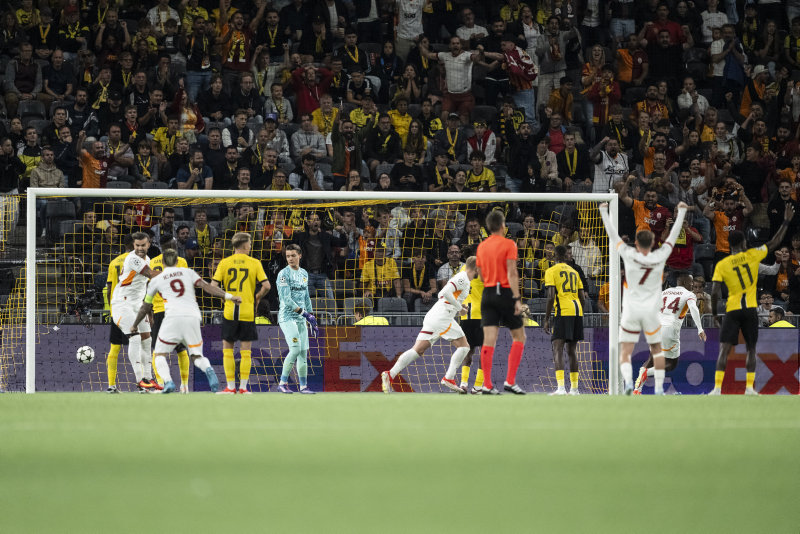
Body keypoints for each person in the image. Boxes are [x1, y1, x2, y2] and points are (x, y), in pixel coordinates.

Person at [599, 201, 689, 395]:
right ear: (653, 243)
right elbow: (672, 238)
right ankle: (657, 388)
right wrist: (681, 213)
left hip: (631, 308)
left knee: (626, 349)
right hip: (651, 311)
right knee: (656, 350)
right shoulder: (660, 255)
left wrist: (603, 211)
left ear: (637, 243)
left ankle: (629, 384)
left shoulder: (629, 254)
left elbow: (613, 236)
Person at [709, 204, 795, 395]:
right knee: (751, 349)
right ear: (744, 242)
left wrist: (715, 313)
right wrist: (787, 221)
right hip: (750, 309)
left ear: (730, 245)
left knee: (724, 349)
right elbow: (774, 242)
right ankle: (749, 388)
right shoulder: (753, 255)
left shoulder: (723, 264)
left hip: (732, 309)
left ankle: (716, 389)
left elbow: (714, 292)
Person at [131, 248, 240, 394]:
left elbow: (145, 307)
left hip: (172, 317)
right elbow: (208, 287)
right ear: (177, 261)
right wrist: (229, 296)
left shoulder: (156, 280)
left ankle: (168, 382)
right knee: (196, 355)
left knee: (159, 354)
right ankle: (208, 369)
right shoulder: (188, 273)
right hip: (193, 316)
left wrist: (134, 324)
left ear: (163, 263)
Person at [381, 256, 478, 394]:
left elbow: (447, 297)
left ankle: (389, 374)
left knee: (417, 350)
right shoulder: (462, 278)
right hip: (442, 317)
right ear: (476, 268)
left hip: (436, 316)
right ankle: (449, 378)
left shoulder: (464, 279)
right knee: (464, 347)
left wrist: (459, 305)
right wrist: (459, 308)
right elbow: (443, 293)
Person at [211, 232, 270, 394]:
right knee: (246, 351)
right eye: (250, 244)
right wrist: (257, 298)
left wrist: (225, 297)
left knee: (227, 350)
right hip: (247, 311)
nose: (250, 247)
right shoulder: (254, 263)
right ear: (244, 246)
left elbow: (212, 286)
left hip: (230, 311)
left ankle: (230, 387)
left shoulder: (224, 263)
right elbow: (267, 286)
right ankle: (243, 387)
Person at [476, 210, 526, 395]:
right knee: (519, 336)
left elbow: (480, 274)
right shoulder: (509, 244)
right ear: (503, 225)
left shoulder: (482, 246)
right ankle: (510, 381)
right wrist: (516, 298)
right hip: (504, 292)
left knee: (489, 340)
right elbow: (512, 272)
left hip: (488, 293)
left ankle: (487, 384)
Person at [634, 272, 706, 394]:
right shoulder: (689, 294)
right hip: (670, 328)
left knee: (652, 358)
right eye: (691, 282)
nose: (692, 284)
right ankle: (648, 372)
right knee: (671, 364)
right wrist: (700, 329)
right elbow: (693, 309)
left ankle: (637, 389)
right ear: (684, 282)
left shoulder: (665, 292)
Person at [109, 232, 158, 391]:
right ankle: (139, 380)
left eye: (143, 245)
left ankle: (148, 378)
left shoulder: (148, 259)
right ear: (133, 245)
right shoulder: (132, 258)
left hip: (137, 305)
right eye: (137, 245)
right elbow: (151, 275)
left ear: (149, 244)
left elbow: (144, 287)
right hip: (122, 303)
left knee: (147, 339)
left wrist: (148, 311)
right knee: (135, 338)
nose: (140, 248)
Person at [147, 235, 191, 393]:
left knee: (159, 350)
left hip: (160, 310)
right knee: (180, 349)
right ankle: (184, 385)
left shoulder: (153, 262)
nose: (176, 246)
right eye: (174, 244)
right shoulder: (182, 261)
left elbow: (149, 287)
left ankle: (162, 383)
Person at [543, 245, 587, 396]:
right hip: (577, 311)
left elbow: (550, 297)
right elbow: (582, 297)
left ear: (555, 256)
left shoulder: (551, 271)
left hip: (564, 310)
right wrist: (579, 313)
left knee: (557, 348)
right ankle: (574, 389)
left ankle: (561, 388)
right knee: (572, 350)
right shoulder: (574, 272)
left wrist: (547, 318)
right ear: (566, 256)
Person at [276, 244, 319, 394]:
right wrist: (305, 314)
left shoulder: (304, 273)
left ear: (300, 255)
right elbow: (287, 299)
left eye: (293, 255)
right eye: (288, 256)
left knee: (303, 352)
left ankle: (303, 386)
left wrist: (312, 317)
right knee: (294, 349)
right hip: (287, 317)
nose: (290, 259)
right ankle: (282, 383)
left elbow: (306, 296)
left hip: (301, 318)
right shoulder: (283, 274)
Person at [104, 234, 133, 393]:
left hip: (117, 309)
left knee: (115, 348)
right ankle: (142, 385)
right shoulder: (137, 262)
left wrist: (112, 309)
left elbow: (109, 289)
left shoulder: (114, 262)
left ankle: (111, 385)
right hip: (133, 309)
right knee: (139, 347)